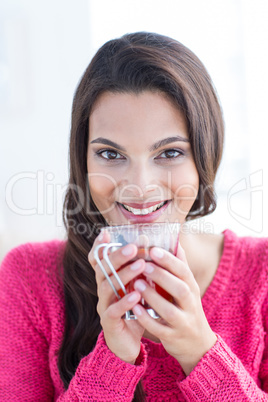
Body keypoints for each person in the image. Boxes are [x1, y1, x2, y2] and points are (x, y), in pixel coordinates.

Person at [0, 31, 267, 402]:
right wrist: (113, 358)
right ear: (83, 160)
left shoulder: (262, 275)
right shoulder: (29, 280)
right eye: (111, 155)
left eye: (169, 153)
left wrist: (200, 351)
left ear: (205, 156)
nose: (140, 187)